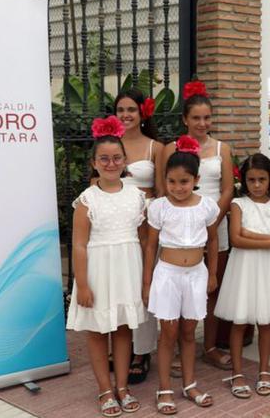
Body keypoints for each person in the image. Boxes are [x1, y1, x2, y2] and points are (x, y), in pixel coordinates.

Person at [66, 116, 147, 417]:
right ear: (94, 163)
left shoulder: (137, 196)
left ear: (125, 161)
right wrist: (83, 284)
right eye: (104, 159)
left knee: (124, 329)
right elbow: (78, 245)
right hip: (98, 272)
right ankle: (104, 389)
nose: (111, 163)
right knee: (98, 331)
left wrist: (144, 279)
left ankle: (122, 387)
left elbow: (142, 239)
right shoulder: (87, 200)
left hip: (127, 269)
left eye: (116, 158)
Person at [161, 81, 235, 370]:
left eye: (207, 117)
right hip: (180, 229)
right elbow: (164, 188)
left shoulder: (222, 148)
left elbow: (228, 188)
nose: (202, 123)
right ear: (185, 120)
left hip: (215, 224)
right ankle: (179, 347)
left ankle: (211, 346)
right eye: (196, 118)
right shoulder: (171, 149)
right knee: (179, 286)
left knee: (212, 286)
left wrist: (212, 220)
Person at [144, 136, 220, 414]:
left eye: (184, 182)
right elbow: (151, 245)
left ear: (196, 179)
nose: (177, 188)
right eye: (172, 181)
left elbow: (212, 241)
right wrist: (147, 282)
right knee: (168, 333)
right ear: (165, 179)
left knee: (189, 332)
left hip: (196, 275)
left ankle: (189, 384)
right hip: (167, 275)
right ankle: (164, 389)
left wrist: (211, 274)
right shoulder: (159, 207)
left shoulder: (206, 206)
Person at [215, 153, 270, 398]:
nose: (257, 185)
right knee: (239, 320)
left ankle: (264, 371)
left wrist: (251, 235)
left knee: (265, 322)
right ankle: (238, 372)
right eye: (251, 180)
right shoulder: (238, 204)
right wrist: (264, 239)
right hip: (244, 267)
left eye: (262, 179)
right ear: (244, 181)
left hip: (269, 269)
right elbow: (236, 239)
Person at [114, 90, 165, 385]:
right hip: (115, 224)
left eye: (131, 109)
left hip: (144, 225)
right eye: (120, 109)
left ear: (142, 113)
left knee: (144, 285)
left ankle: (142, 350)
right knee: (119, 283)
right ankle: (120, 342)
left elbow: (160, 191)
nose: (125, 115)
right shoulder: (109, 144)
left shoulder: (155, 148)